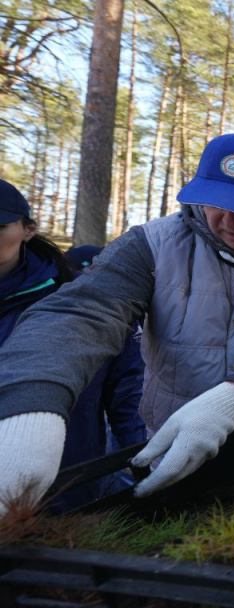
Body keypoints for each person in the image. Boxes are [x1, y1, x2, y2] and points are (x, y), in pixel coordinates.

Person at [0, 133, 234, 513]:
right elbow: (82, 312)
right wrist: (31, 405)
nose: (232, 220)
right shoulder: (153, 243)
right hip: (183, 442)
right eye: (217, 204)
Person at [0, 180, 146, 508]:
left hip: (63, 494)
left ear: (28, 230)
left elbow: (128, 398)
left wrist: (149, 468)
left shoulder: (86, 303)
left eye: (0, 225)